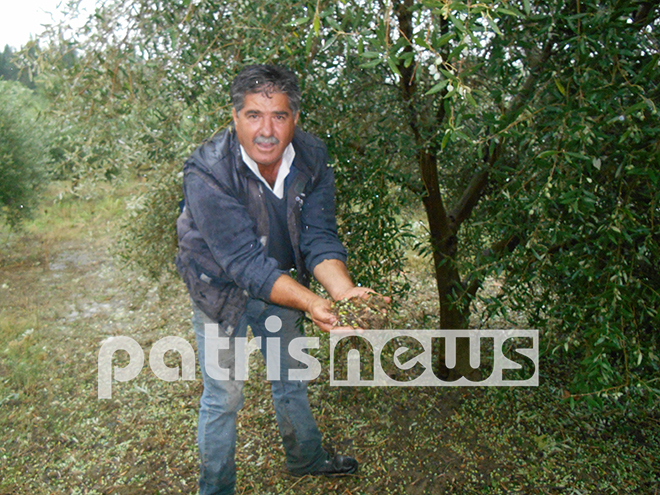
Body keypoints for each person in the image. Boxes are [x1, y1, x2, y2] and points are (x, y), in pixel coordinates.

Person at [175, 64, 385, 495]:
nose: (266, 130)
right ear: (234, 118)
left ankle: (305, 460)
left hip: (279, 287)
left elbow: (318, 235)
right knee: (224, 396)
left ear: (295, 119)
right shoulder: (207, 170)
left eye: (279, 116)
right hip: (219, 291)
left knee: (291, 374)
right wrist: (311, 302)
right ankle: (215, 490)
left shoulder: (311, 157)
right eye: (254, 115)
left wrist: (342, 293)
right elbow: (243, 263)